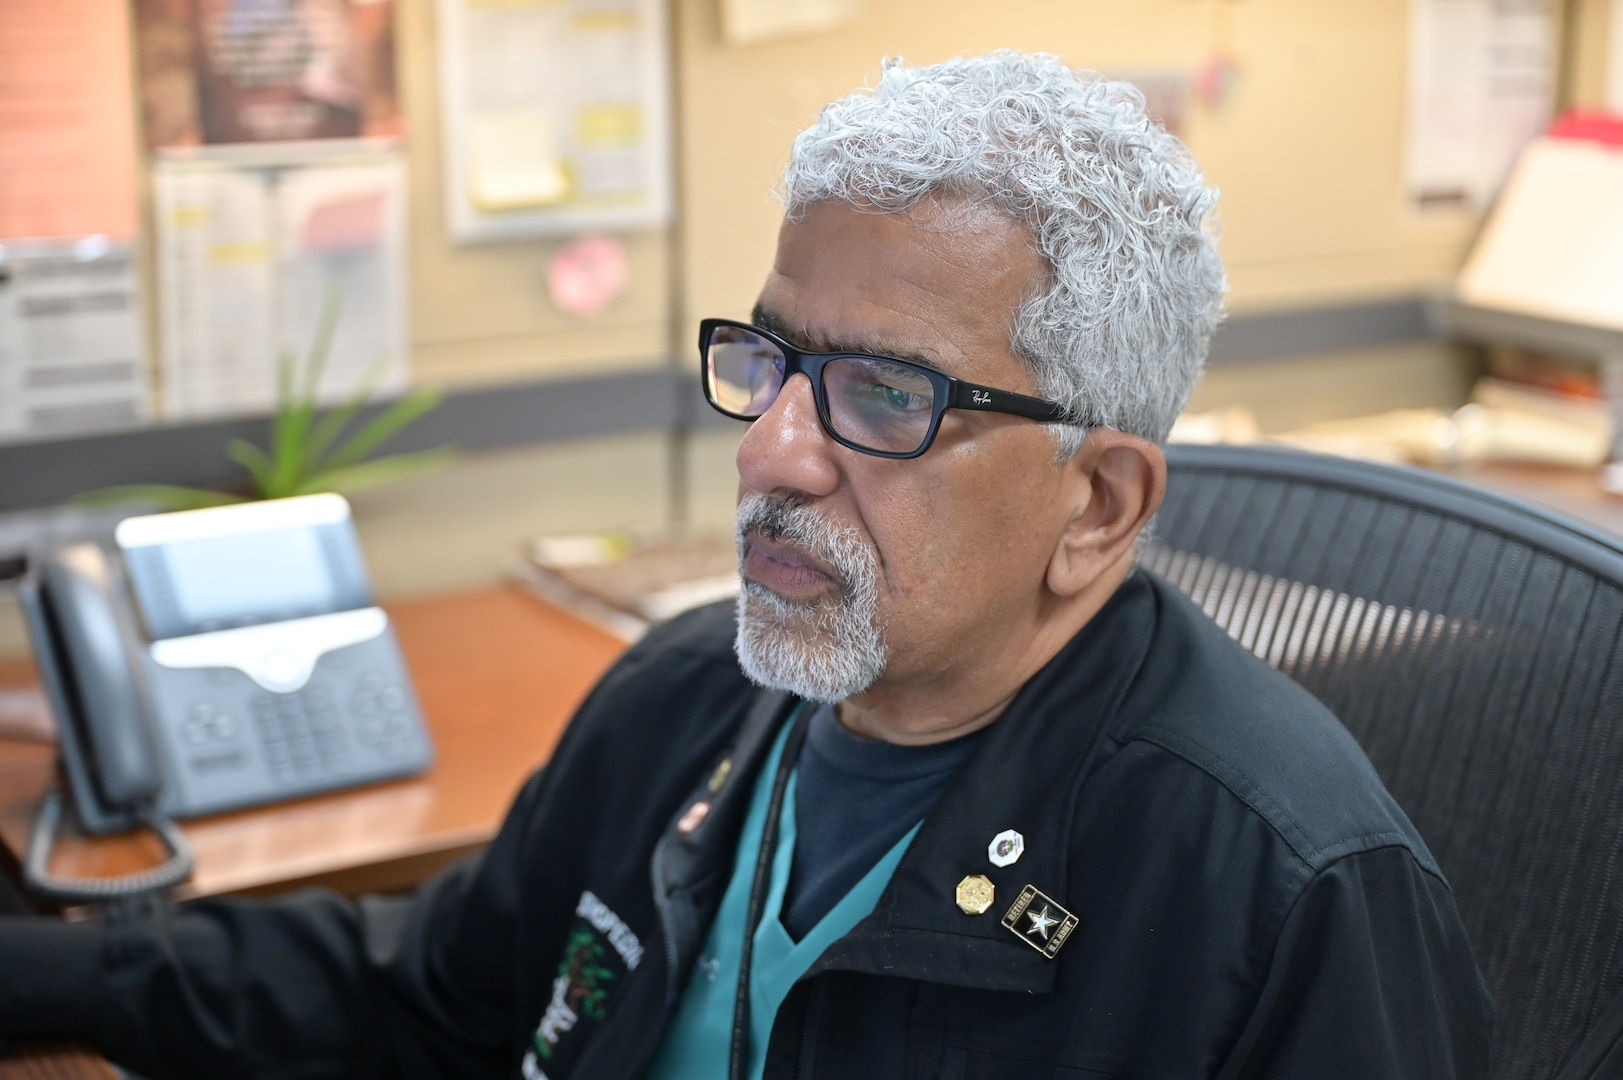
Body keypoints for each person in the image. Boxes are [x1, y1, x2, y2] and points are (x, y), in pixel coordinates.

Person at [0, 50, 1490, 1079]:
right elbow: (426, 995)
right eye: (771, 358)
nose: (772, 452)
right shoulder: (684, 699)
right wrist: (44, 973)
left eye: (887, 396)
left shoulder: (1287, 896)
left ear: (1096, 502)